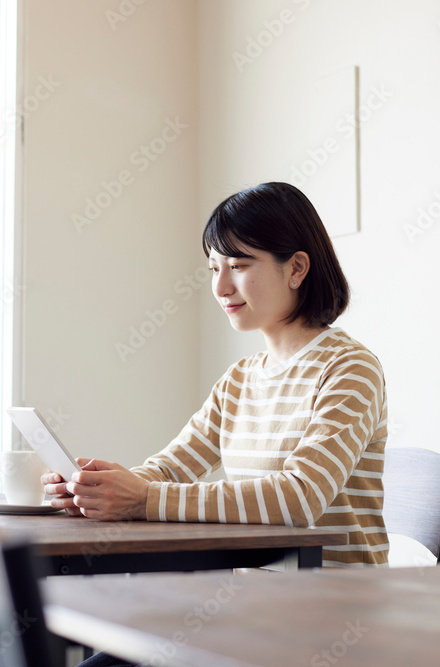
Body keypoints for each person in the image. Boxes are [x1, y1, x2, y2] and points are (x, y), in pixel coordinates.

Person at [45, 182, 388, 665]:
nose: (221, 287)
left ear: (297, 268)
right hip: (252, 610)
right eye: (214, 268)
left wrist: (142, 500)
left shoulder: (349, 369)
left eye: (240, 266)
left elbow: (300, 497)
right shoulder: (240, 380)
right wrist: (95, 488)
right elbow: (167, 469)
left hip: (329, 619)